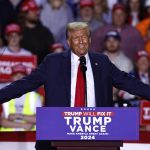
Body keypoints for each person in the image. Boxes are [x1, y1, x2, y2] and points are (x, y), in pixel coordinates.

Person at [0, 22, 150, 150]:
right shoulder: (53, 62)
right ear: (68, 41)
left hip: (98, 136)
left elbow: (129, 82)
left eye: (84, 37)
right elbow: (25, 84)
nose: (81, 41)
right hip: (58, 134)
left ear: (90, 40)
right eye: (76, 38)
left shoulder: (102, 62)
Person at [0, 64, 43, 131]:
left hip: (29, 136)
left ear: (26, 78)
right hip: (8, 137)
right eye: (16, 75)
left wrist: (19, 116)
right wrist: (23, 125)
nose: (19, 78)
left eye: (21, 76)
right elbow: (2, 121)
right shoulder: (4, 93)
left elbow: (40, 119)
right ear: (11, 78)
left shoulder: (34, 96)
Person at [19, 0, 55, 65]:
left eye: (37, 10)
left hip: (42, 69)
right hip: (22, 68)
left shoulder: (45, 32)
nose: (36, 12)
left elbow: (52, 52)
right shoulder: (19, 32)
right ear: (25, 13)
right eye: (33, 10)